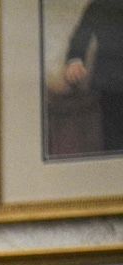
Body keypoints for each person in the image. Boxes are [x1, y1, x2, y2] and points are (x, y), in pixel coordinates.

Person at [61, 0, 123, 155]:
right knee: (114, 143)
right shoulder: (99, 4)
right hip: (112, 83)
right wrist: (75, 60)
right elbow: (82, 34)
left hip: (110, 81)